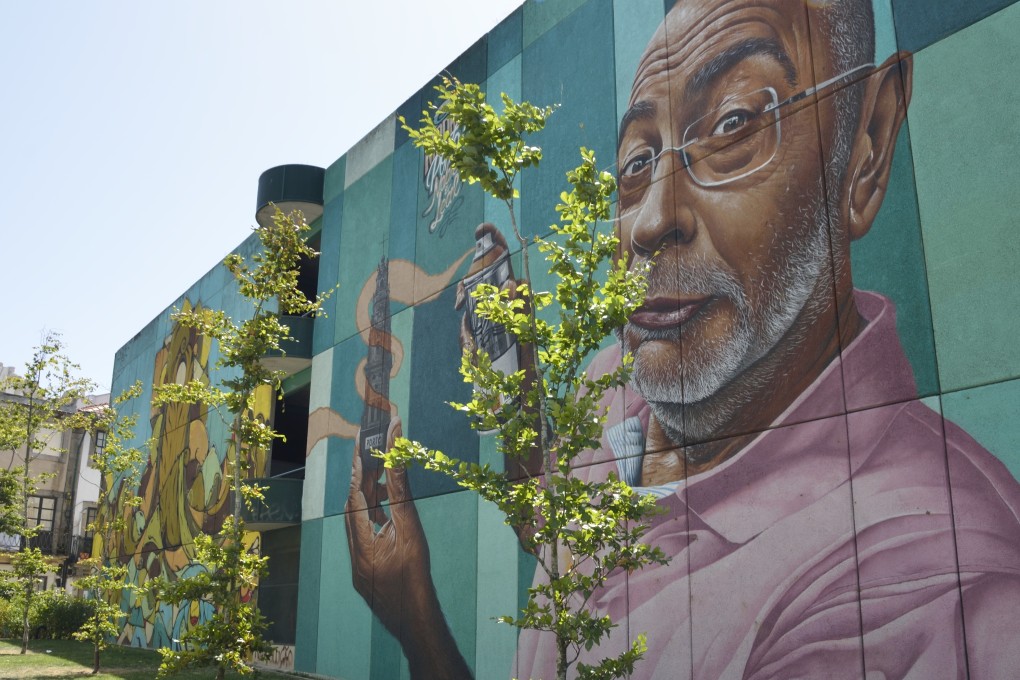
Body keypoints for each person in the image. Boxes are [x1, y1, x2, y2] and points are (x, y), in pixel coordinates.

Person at [347, 1, 1020, 677]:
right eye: (638, 162)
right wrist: (516, 402)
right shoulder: (617, 384)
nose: (652, 219)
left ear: (866, 146)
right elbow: (560, 540)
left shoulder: (914, 598)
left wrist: (420, 628)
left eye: (733, 124)